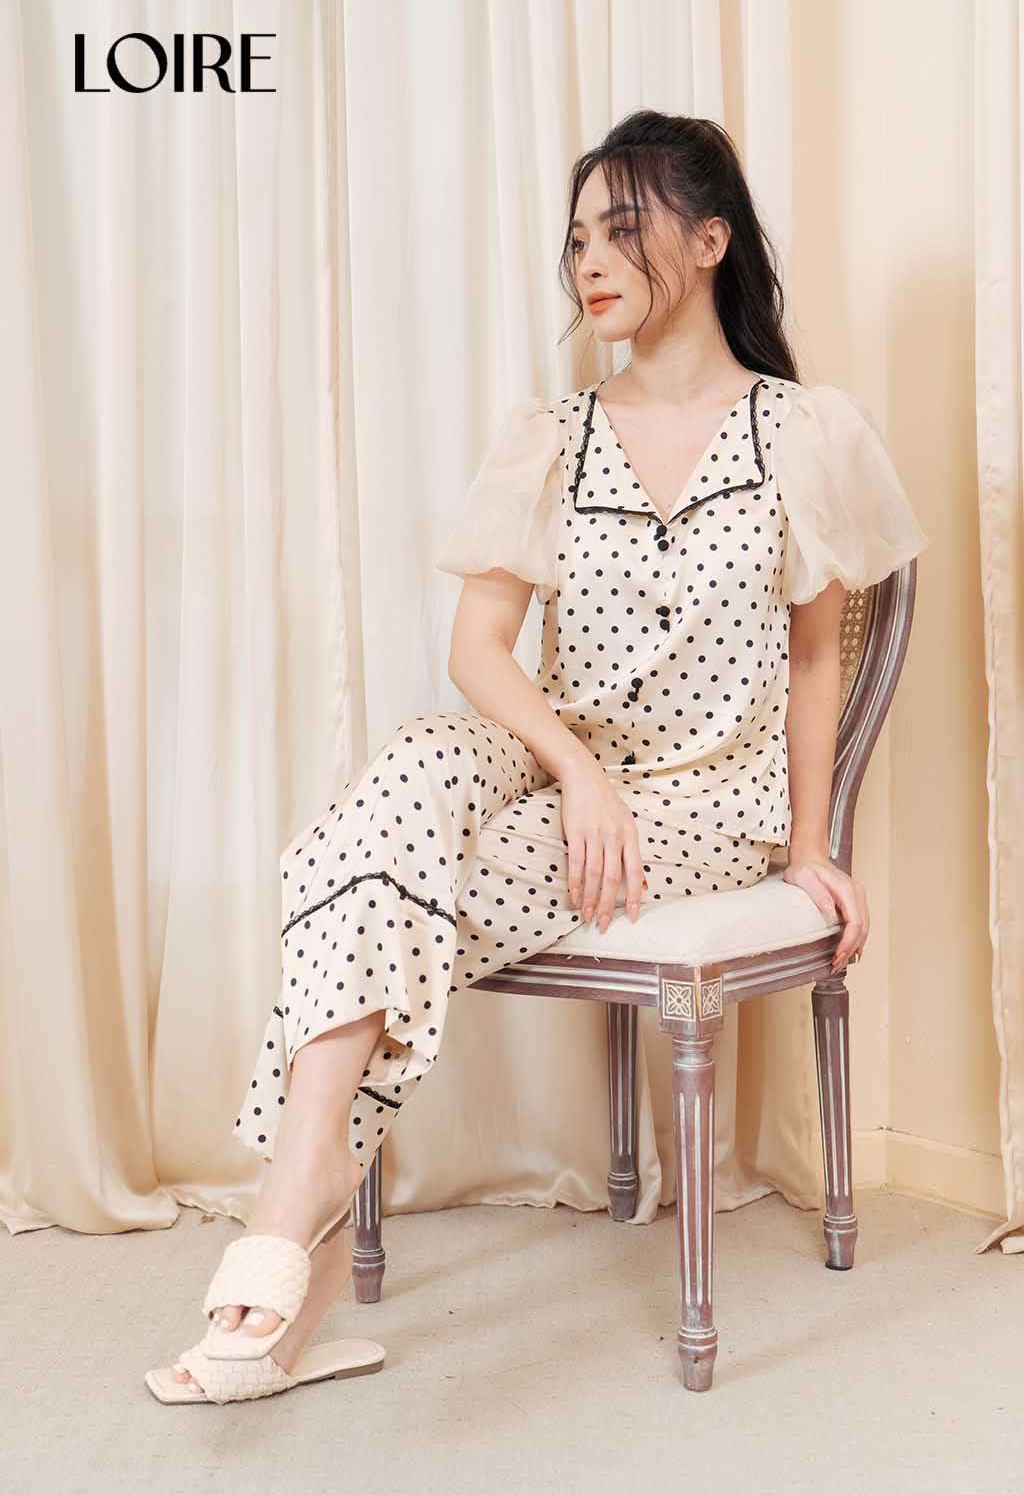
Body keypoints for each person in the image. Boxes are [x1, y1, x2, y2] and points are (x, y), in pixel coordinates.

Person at [152, 109, 928, 1403]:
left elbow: (814, 660)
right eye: (577, 240)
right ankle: (309, 1197)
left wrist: (811, 848)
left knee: (351, 869)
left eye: (621, 229)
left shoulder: (806, 433)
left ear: (711, 240)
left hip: (705, 802)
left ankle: (291, 1216)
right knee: (407, 773)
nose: (590, 262)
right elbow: (479, 651)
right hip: (569, 762)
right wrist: (576, 770)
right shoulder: (551, 435)